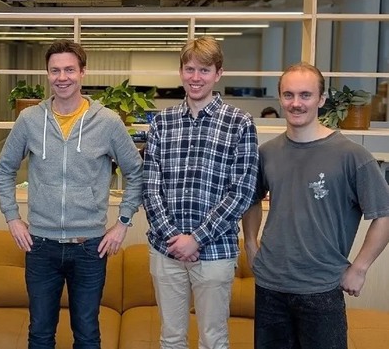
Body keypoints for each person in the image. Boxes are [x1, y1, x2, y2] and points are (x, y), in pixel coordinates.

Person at [0, 39, 143, 349]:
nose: (62, 77)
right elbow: (4, 168)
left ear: (82, 72)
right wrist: (12, 218)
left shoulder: (107, 122)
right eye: (55, 70)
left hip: (89, 248)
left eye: (69, 70)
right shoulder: (30, 120)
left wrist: (122, 223)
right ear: (47, 74)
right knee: (40, 334)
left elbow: (136, 172)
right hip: (41, 246)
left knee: (87, 334)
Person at [242, 62, 389, 349]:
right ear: (280, 98)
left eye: (305, 95)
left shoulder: (352, 156)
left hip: (322, 289)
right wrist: (250, 243)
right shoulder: (267, 153)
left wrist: (359, 269)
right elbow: (252, 199)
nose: (296, 103)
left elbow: (383, 215)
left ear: (321, 99)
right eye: (288, 95)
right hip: (270, 286)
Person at [143, 36, 259, 349]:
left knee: (213, 340)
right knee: (171, 339)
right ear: (181, 72)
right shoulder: (162, 123)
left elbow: (242, 191)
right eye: (190, 69)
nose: (196, 77)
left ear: (218, 74)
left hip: (215, 252)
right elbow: (150, 187)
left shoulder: (239, 123)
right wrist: (174, 238)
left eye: (204, 70)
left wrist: (196, 239)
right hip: (166, 250)